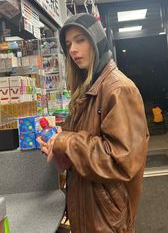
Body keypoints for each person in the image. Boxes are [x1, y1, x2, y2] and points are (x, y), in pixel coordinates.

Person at [38, 13, 149, 233]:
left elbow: (121, 161)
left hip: (106, 218)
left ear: (97, 42)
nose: (72, 50)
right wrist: (57, 143)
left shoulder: (118, 89)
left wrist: (66, 141)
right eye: (69, 44)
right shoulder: (89, 87)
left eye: (81, 40)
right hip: (90, 209)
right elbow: (86, 141)